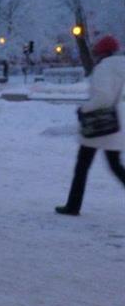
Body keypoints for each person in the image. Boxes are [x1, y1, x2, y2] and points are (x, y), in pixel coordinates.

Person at [55, 35, 125, 216]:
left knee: (82, 166)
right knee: (115, 165)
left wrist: (84, 109)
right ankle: (72, 205)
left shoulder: (104, 68)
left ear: (101, 52)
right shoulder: (122, 66)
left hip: (99, 124)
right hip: (117, 124)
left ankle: (73, 206)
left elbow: (103, 97)